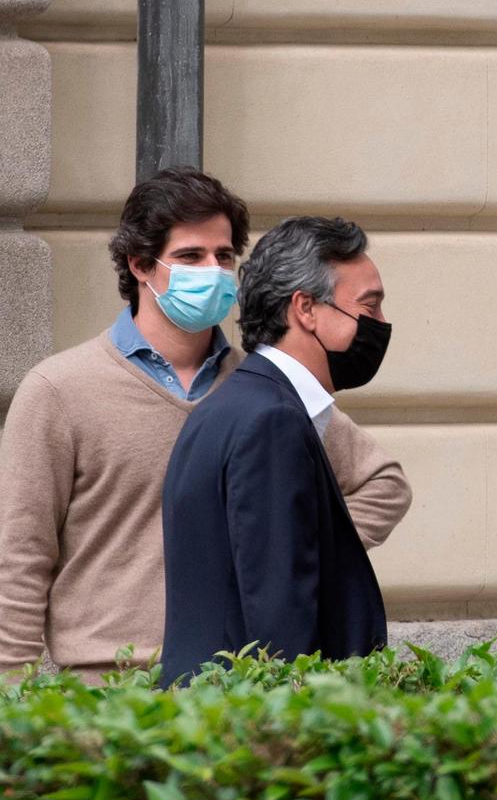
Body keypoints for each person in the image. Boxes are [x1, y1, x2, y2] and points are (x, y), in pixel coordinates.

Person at [0, 169, 410, 680]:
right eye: (192, 257)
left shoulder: (259, 387)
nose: (213, 271)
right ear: (140, 264)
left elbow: (383, 483)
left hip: (224, 679)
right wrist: (13, 697)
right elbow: (19, 558)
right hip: (106, 681)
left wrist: (293, 545)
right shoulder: (59, 391)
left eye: (224, 256)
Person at [160, 216, 394, 683]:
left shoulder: (231, 406)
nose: (381, 324)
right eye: (370, 307)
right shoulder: (271, 420)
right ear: (305, 309)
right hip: (254, 731)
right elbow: (281, 616)